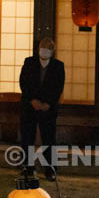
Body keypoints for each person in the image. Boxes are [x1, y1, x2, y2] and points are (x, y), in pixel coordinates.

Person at [18, 37, 66, 181]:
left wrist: (49, 104)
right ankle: (27, 167)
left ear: (52, 52)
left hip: (48, 108)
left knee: (49, 138)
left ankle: (49, 169)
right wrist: (32, 100)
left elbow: (59, 87)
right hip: (29, 105)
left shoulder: (58, 66)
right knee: (27, 136)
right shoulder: (29, 62)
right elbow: (23, 83)